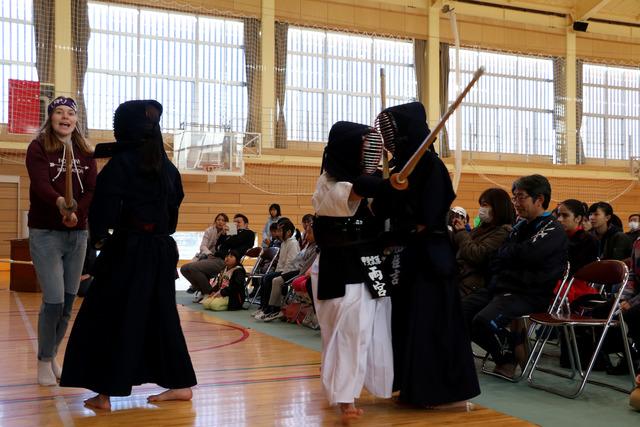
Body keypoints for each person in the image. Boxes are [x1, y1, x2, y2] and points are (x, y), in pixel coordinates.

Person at [60, 100, 196, 409]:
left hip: (130, 250)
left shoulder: (122, 165)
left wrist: (96, 242)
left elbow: (104, 213)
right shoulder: (168, 168)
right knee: (161, 318)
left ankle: (105, 393)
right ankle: (181, 385)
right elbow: (172, 215)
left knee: (108, 315)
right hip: (162, 251)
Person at [369, 102, 479, 409]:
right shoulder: (397, 167)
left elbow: (429, 217)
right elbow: (384, 212)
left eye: (394, 130)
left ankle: (441, 392)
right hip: (406, 259)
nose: (389, 138)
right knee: (407, 322)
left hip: (430, 260)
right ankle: (409, 385)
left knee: (431, 324)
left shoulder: (430, 165)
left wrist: (402, 207)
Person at [311, 121, 392, 420]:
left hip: (364, 265)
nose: (370, 156)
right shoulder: (328, 185)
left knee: (361, 331)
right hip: (338, 268)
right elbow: (356, 191)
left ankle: (348, 392)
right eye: (365, 149)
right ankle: (344, 394)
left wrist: (390, 180)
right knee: (345, 332)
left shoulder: (365, 182)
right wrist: (390, 183)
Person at [462, 174, 568, 379]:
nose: (516, 203)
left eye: (521, 197)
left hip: (530, 293)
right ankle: (510, 349)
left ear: (539, 199)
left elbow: (529, 255)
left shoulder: (552, 229)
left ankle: (507, 356)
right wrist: (512, 255)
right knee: (459, 311)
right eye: (514, 197)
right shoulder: (519, 227)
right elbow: (499, 256)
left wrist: (511, 254)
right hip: (502, 288)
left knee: (483, 321)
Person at [26, 96, 97, 386]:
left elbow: (92, 188)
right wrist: (59, 203)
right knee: (53, 300)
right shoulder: (39, 146)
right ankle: (44, 360)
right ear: (51, 117)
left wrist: (77, 211)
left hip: (77, 234)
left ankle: (52, 354)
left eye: (70, 113)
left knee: (69, 301)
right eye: (59, 112)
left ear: (76, 119)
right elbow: (40, 182)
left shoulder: (85, 151)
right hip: (46, 233)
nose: (65, 117)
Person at [453, 188, 515, 297]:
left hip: (471, 287)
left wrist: (462, 232)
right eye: (481, 205)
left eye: (485, 205)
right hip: (459, 279)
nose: (481, 209)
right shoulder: (481, 228)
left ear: (497, 207)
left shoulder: (502, 232)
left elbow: (476, 254)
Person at [191, 213, 256, 302]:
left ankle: (207, 293)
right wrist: (223, 234)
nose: (236, 224)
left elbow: (234, 242)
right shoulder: (231, 233)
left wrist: (228, 235)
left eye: (238, 222)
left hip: (227, 260)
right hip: (217, 256)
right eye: (234, 222)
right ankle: (206, 291)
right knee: (194, 268)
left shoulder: (248, 233)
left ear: (246, 224)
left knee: (193, 268)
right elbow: (218, 245)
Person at [254, 218, 301, 321]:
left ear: (288, 232)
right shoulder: (284, 243)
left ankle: (273, 309)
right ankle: (264, 308)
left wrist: (280, 275)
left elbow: (291, 264)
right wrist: (276, 273)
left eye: (280, 231)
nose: (278, 234)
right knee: (266, 278)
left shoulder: (293, 243)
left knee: (271, 279)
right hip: (285, 270)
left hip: (293, 271)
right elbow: (280, 262)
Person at [554, 199, 599, 302]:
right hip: (558, 280)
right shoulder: (558, 237)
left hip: (572, 283)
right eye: (558, 215)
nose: (559, 219)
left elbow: (578, 270)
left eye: (565, 216)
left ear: (578, 218)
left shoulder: (588, 240)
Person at [183, 213, 228, 294]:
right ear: (215, 221)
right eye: (218, 220)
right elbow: (203, 246)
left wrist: (226, 233)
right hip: (207, 255)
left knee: (196, 268)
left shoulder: (229, 232)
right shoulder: (209, 230)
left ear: (226, 223)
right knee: (186, 268)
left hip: (219, 258)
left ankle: (204, 291)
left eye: (223, 220)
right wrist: (209, 254)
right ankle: (197, 286)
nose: (220, 222)